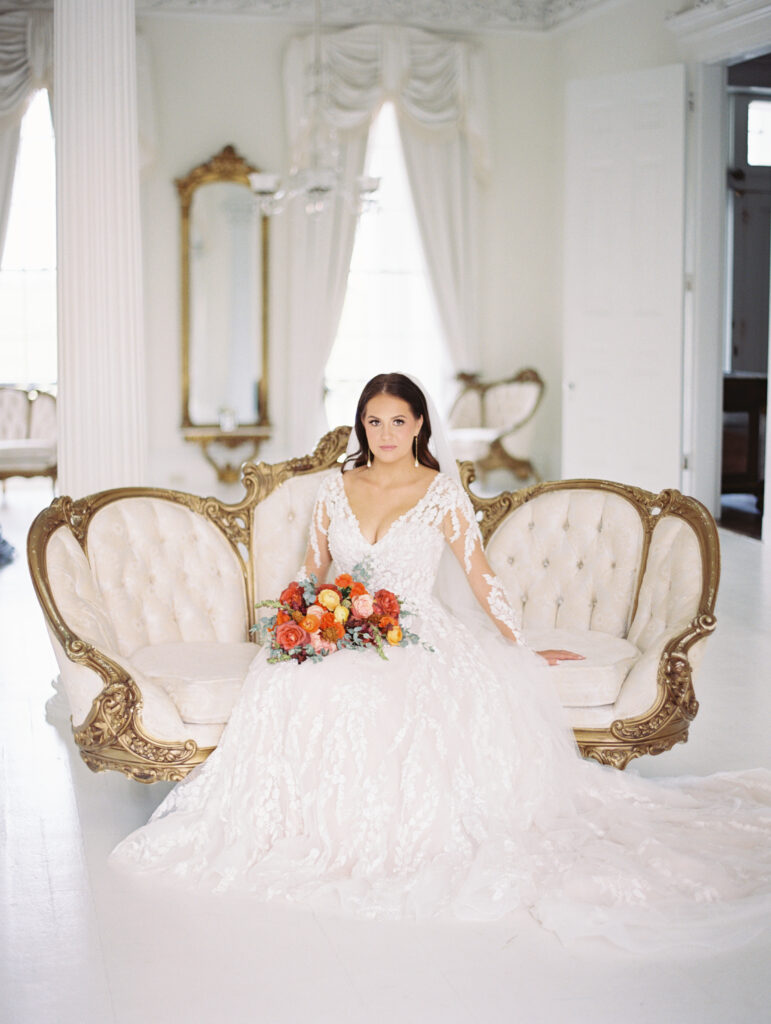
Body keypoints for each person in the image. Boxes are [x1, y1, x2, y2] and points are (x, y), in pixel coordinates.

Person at [111, 373, 771, 951]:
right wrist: (300, 622)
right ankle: (311, 830)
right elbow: (312, 571)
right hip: (337, 623)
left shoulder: (440, 492)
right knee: (298, 684)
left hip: (416, 629)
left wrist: (520, 640)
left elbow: (480, 577)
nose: (385, 431)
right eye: (374, 421)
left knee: (384, 694)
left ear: (419, 423)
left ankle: (385, 838)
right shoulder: (336, 488)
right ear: (360, 427)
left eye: (397, 420)